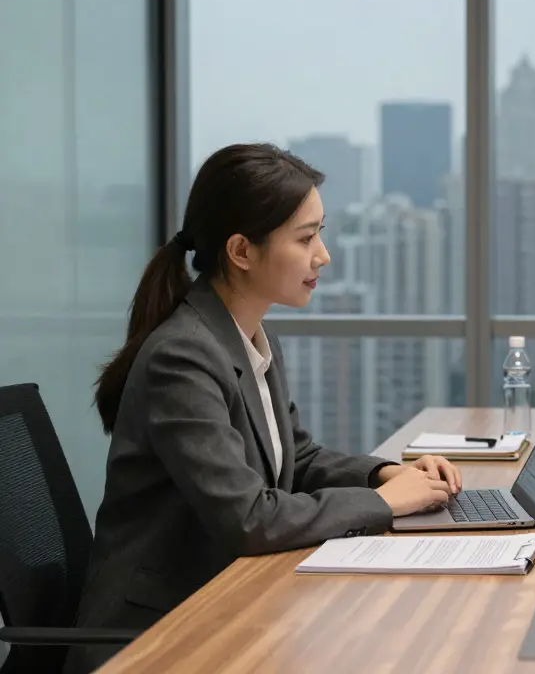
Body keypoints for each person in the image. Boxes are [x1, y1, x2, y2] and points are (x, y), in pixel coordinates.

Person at [67, 144, 462, 671]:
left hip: (225, 604)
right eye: (306, 238)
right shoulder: (183, 355)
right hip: (157, 638)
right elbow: (249, 517)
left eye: (320, 233)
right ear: (241, 251)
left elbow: (294, 456)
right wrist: (388, 505)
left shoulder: (242, 332)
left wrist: (386, 474)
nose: (323, 255)